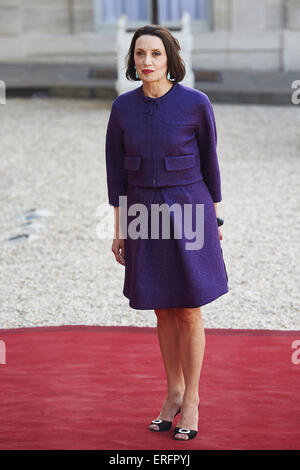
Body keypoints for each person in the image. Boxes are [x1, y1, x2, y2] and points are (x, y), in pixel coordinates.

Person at [105, 24, 229, 441]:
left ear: (169, 59)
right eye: (140, 54)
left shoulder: (196, 103)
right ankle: (172, 391)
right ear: (132, 60)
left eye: (155, 54)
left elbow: (211, 164)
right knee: (160, 307)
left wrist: (215, 219)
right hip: (142, 210)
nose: (147, 62)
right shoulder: (122, 108)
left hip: (191, 209)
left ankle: (192, 398)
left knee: (190, 307)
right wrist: (120, 228)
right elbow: (117, 174)